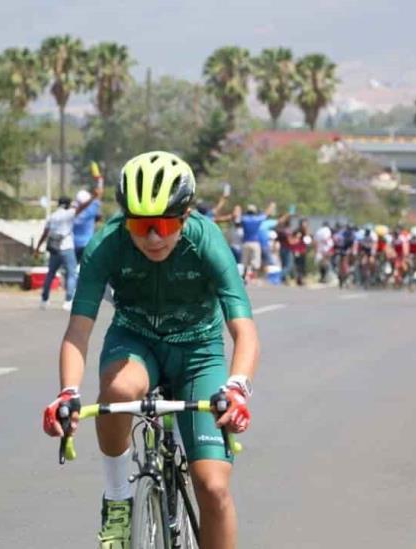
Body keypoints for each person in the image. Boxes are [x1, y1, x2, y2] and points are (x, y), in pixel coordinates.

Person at [41, 151, 258, 548]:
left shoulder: (207, 242)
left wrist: (237, 387)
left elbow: (244, 331)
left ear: (187, 215)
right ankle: (118, 500)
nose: (153, 237)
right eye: (140, 225)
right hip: (135, 341)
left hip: (198, 352)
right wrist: (68, 393)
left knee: (213, 488)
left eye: (164, 224)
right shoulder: (108, 244)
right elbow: (78, 331)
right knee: (119, 392)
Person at [34, 189, 102, 311]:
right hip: (67, 248)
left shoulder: (52, 217)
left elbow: (45, 234)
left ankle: (44, 300)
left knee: (50, 274)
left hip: (54, 249)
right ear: (68, 204)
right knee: (72, 274)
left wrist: (38, 247)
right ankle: (68, 300)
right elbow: (83, 207)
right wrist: (93, 197)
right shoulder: (69, 213)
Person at [72, 188, 102, 262]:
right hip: (88, 244)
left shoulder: (72, 213)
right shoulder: (92, 210)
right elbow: (99, 214)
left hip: (74, 245)